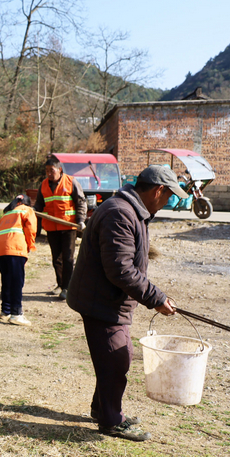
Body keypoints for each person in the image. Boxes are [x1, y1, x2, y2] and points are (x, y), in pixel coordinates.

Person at [67, 165, 186, 442]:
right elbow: (120, 269)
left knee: (117, 356)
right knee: (116, 357)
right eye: (168, 195)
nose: (168, 201)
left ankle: (101, 408)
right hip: (100, 301)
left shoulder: (133, 211)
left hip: (109, 300)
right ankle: (111, 420)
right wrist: (156, 298)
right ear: (158, 190)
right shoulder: (120, 213)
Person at [33, 157, 87, 300]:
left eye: (51, 170)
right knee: (56, 258)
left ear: (59, 170)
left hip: (69, 227)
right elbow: (39, 204)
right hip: (51, 227)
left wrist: (81, 220)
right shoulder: (43, 185)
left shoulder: (71, 182)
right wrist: (32, 211)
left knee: (68, 258)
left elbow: (81, 202)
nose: (49, 174)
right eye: (46, 171)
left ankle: (67, 288)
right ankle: (60, 284)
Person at [0, 194, 37, 326]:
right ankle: (16, 314)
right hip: (15, 248)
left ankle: (5, 311)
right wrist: (30, 246)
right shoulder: (27, 210)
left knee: (6, 279)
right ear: (27, 203)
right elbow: (31, 229)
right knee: (17, 281)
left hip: (0, 249)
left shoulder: (8, 213)